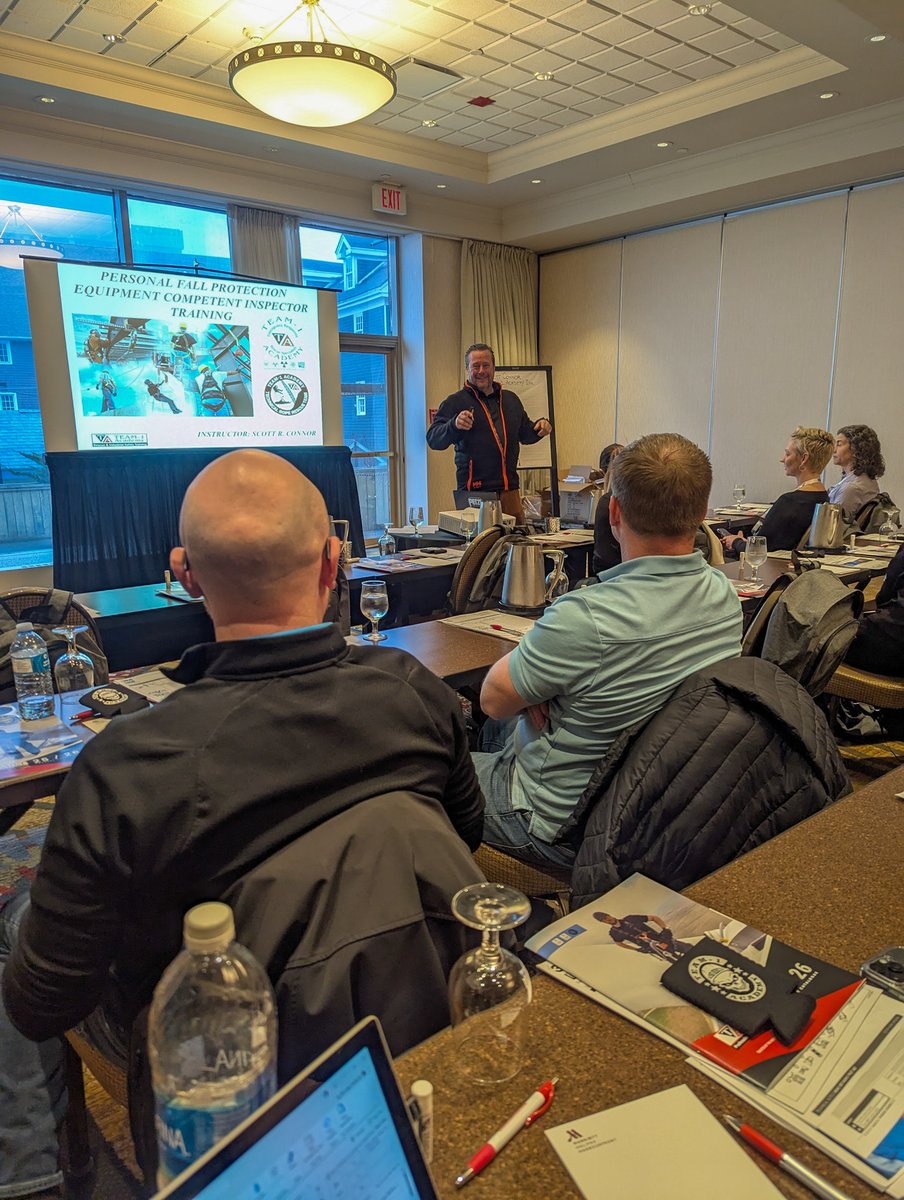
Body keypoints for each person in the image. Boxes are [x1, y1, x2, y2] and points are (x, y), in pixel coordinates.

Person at [0, 449, 484, 1197]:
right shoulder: (414, 692)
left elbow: (44, 1005)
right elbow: (465, 841)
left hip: (221, 1073)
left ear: (183, 573)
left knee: (15, 915)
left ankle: (35, 1178)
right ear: (335, 561)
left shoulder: (126, 766)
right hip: (425, 998)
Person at [473, 433, 743, 870]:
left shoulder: (584, 617)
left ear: (613, 511)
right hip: (656, 814)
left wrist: (537, 689)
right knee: (498, 733)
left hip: (559, 828)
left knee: (423, 777)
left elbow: (492, 699)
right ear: (703, 513)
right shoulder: (723, 597)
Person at [426, 343, 552, 522]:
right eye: (475, 366)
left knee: (514, 542)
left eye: (486, 365)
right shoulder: (455, 402)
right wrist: (453, 424)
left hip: (510, 491)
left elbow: (525, 433)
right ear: (467, 369)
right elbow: (433, 439)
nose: (481, 370)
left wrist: (539, 428)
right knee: (480, 547)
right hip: (474, 493)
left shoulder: (511, 400)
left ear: (493, 367)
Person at [722, 426, 833, 556]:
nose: (782, 459)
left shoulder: (789, 502)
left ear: (804, 459)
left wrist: (735, 541)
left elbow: (759, 551)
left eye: (787, 454)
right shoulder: (824, 497)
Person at [828, 424, 884, 519]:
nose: (834, 450)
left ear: (856, 448)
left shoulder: (851, 488)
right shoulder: (866, 480)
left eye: (839, 444)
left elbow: (832, 524)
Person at [593, 911, 695, 962]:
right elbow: (619, 943)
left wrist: (665, 929)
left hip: (663, 939)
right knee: (676, 961)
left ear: (609, 915)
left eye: (607, 917)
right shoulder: (614, 933)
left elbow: (653, 918)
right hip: (653, 948)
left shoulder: (630, 918)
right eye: (605, 920)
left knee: (688, 949)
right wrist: (636, 949)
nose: (608, 920)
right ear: (603, 922)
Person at [591, 442, 624, 572]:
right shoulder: (640, 497)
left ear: (602, 473)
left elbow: (602, 558)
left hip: (610, 575)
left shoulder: (607, 501)